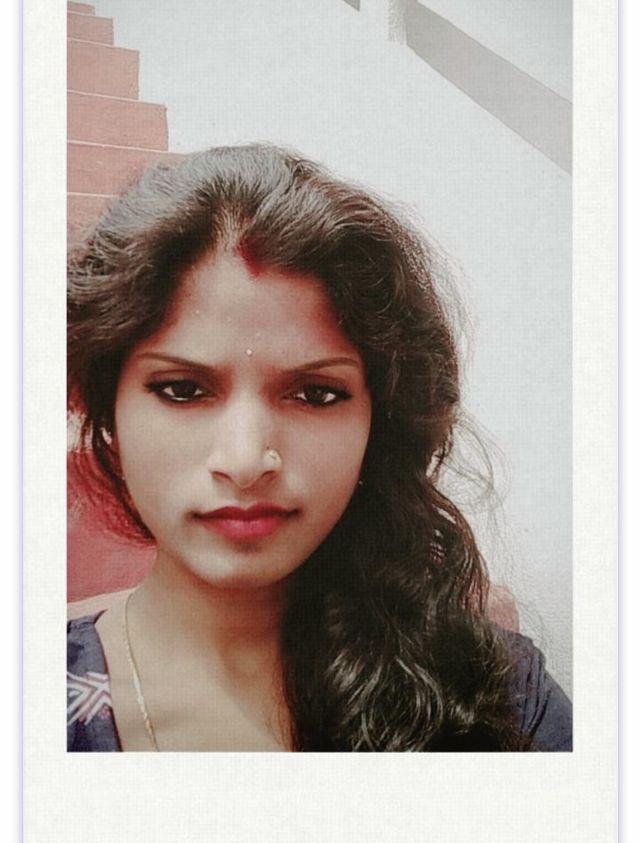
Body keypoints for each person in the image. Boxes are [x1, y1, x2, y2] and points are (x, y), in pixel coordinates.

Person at [67, 143, 572, 752]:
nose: (246, 462)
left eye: (315, 394)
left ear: (378, 422)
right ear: (109, 409)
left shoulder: (503, 696)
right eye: (182, 389)